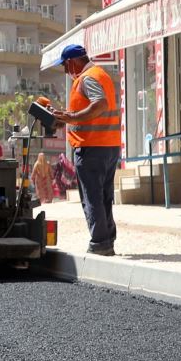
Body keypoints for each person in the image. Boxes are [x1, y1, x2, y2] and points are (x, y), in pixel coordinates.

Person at [49, 44, 122, 255]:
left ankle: (100, 243)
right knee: (104, 196)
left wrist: (71, 117)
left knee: (92, 196)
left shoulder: (88, 77)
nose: (65, 71)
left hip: (91, 147)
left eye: (65, 65)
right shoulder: (101, 74)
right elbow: (94, 111)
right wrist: (67, 119)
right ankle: (107, 240)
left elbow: (99, 104)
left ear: (72, 62)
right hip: (108, 145)